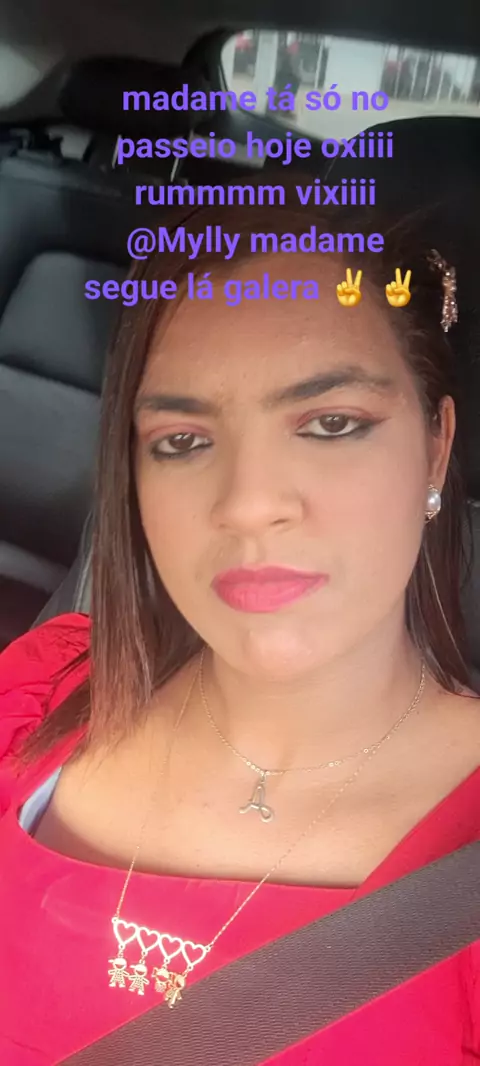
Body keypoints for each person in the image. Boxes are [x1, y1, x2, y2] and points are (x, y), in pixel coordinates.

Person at [0, 196, 479, 1064]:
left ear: (436, 449)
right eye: (182, 441)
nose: (249, 503)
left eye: (332, 424)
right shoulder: (34, 695)